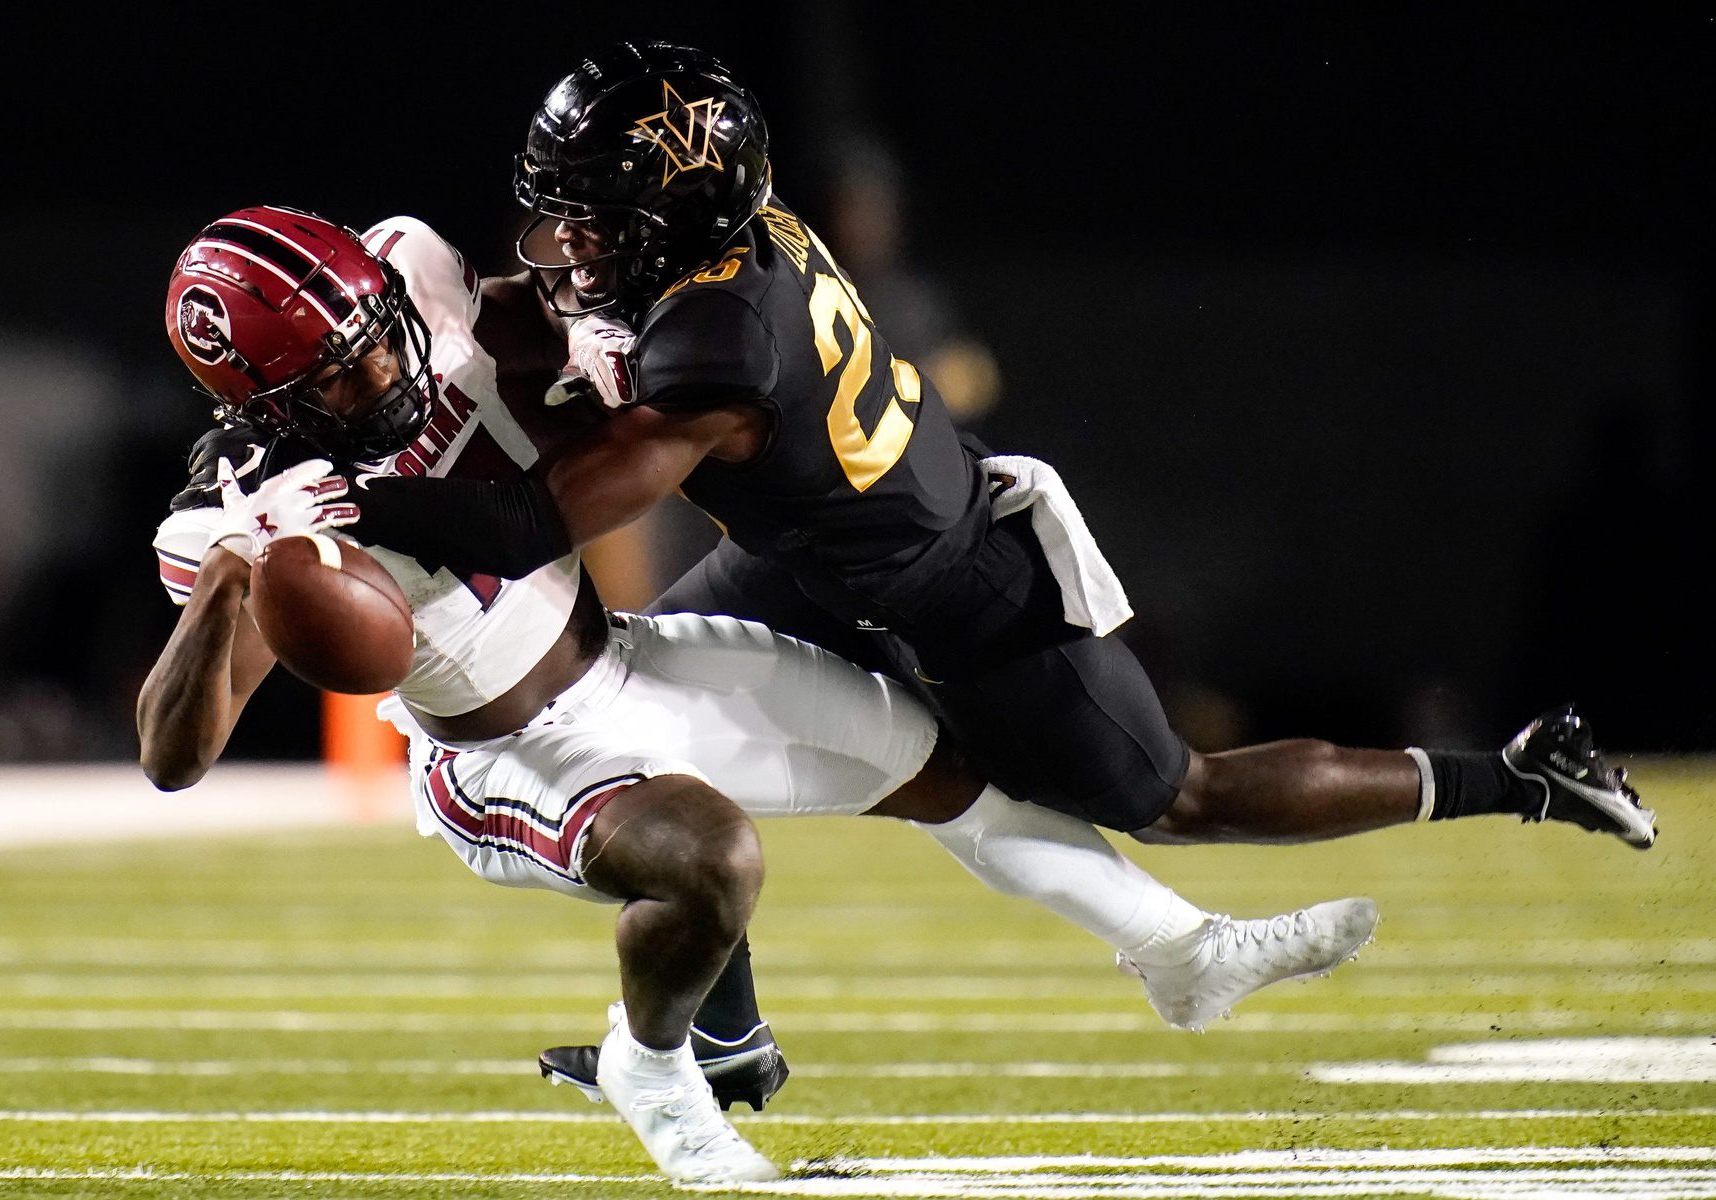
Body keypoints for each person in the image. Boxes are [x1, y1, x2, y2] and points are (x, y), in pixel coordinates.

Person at [326, 41, 1656, 1107]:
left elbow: (533, 519)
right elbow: (556, 318)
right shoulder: (711, 254)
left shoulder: (714, 341)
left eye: (593, 217)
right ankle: (713, 1052)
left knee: (1174, 796)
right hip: (812, 557)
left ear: (666, 219)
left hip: (952, 584)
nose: (569, 238)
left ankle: (1522, 773)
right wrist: (414, 331)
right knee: (644, 729)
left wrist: (366, 489)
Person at [139, 206, 1377, 1184]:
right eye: (341, 380)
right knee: (709, 855)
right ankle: (656, 1066)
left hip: (624, 657)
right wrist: (231, 584)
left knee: (945, 769)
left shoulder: (419, 284)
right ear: (266, 403)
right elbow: (173, 755)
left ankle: (1180, 952)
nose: (382, 373)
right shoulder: (248, 514)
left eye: (375, 337)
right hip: (509, 757)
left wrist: (581, 351)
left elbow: (501, 336)